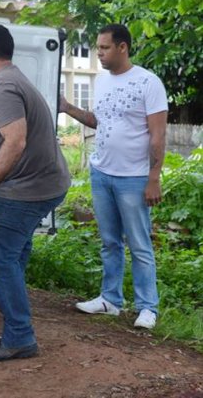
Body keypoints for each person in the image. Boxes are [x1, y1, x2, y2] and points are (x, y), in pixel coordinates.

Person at [0, 24, 70, 361]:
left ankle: (19, 336)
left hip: (31, 186)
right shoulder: (9, 79)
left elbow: (16, 141)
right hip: (47, 181)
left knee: (1, 253)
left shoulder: (4, 86)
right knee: (15, 247)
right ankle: (4, 292)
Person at [60, 24, 167, 330]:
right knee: (109, 242)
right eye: (98, 48)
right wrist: (67, 108)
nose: (99, 53)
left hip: (133, 178)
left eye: (105, 48)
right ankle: (110, 300)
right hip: (102, 173)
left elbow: (158, 135)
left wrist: (154, 177)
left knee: (140, 243)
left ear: (122, 47)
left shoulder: (148, 82)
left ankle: (148, 307)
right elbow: (98, 120)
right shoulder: (103, 81)